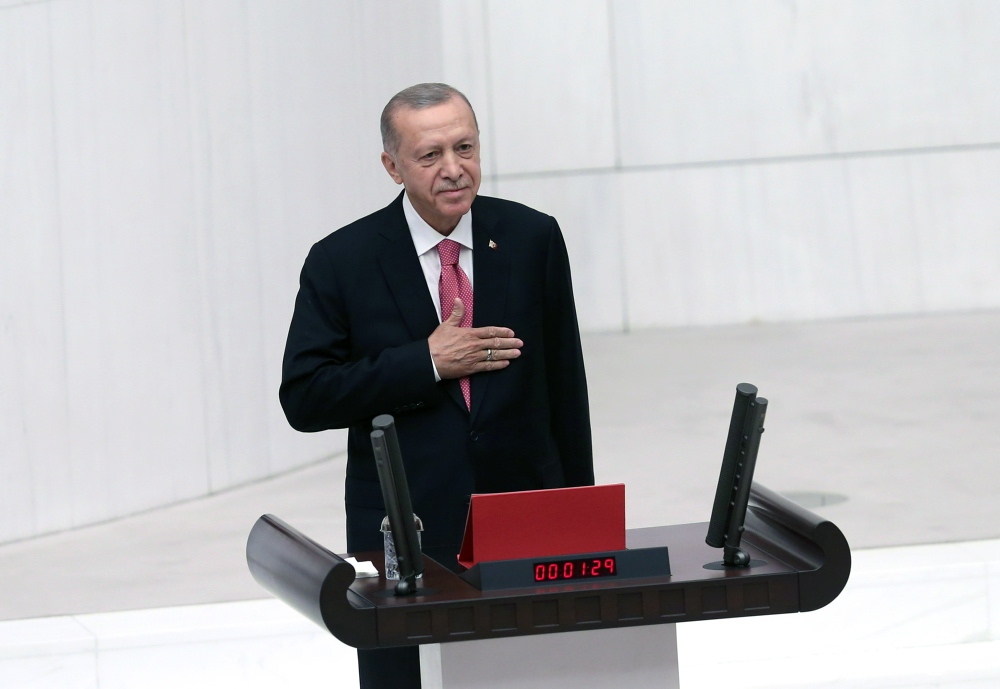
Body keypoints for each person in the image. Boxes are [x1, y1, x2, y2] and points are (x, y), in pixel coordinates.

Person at [279, 83, 594, 689]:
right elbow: (306, 396)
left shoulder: (533, 238)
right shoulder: (341, 261)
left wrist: (577, 515)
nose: (454, 169)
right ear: (392, 166)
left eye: (465, 147)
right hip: (404, 527)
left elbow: (565, 389)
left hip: (521, 517)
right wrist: (422, 363)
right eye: (430, 156)